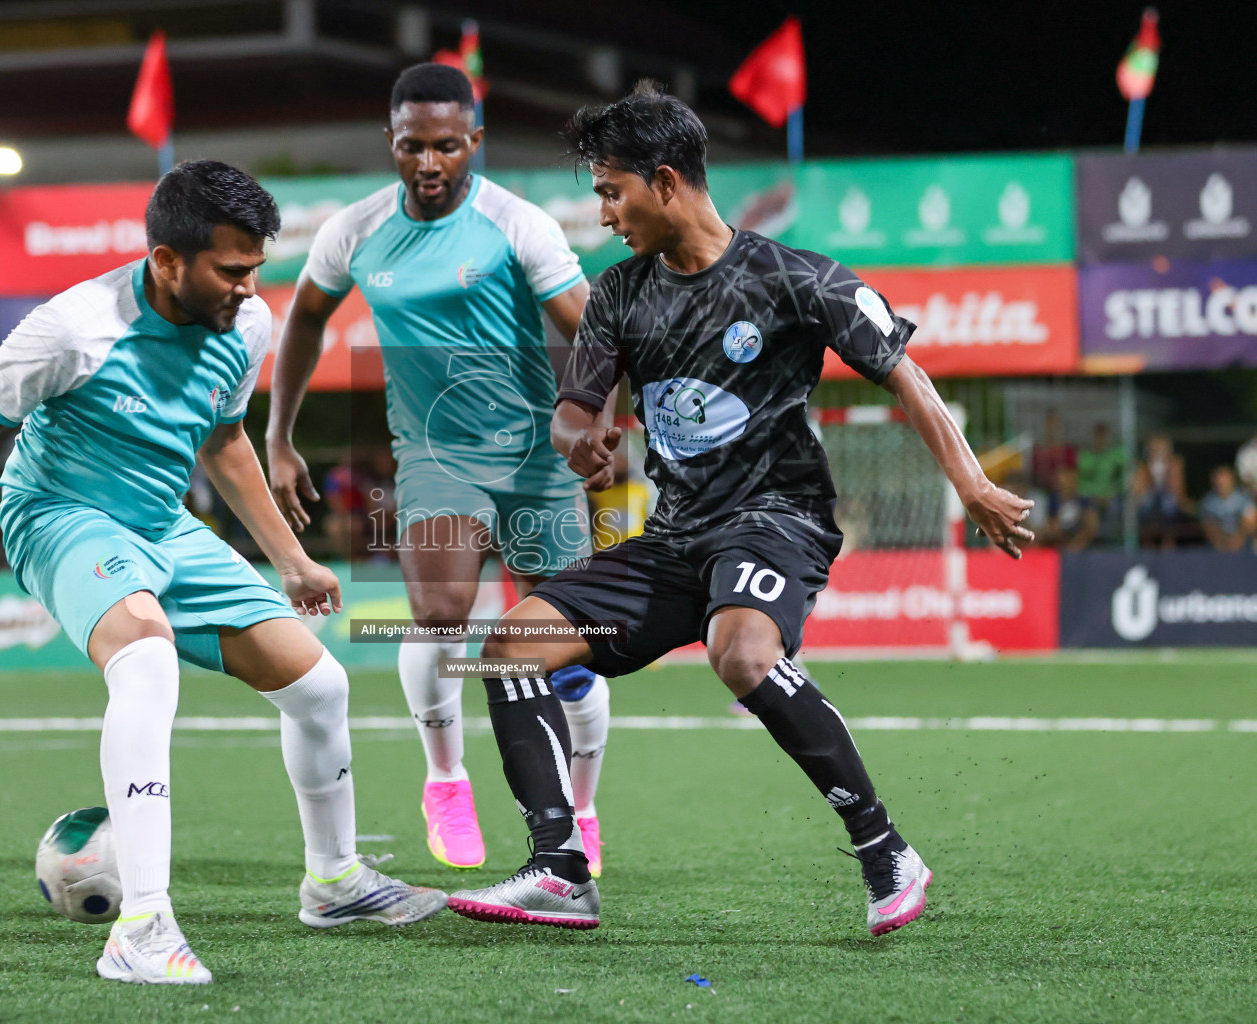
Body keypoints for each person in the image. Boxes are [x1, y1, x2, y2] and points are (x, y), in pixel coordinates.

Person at [446, 83, 1033, 934]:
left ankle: (885, 850)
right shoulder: (617, 295)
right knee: (508, 648)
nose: (604, 213)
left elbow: (905, 372)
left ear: (668, 180)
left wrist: (971, 482)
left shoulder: (794, 278)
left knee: (741, 655)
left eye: (613, 191)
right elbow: (576, 409)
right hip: (676, 535)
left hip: (775, 519)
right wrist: (582, 438)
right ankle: (560, 869)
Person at [0, 161, 445, 987]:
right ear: (165, 260)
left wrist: (289, 559)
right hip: (60, 516)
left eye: (256, 270)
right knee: (145, 661)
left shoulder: (245, 325)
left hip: (163, 525)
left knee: (321, 686)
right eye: (230, 271)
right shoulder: (73, 328)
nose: (249, 291)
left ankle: (334, 883)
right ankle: (142, 929)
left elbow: (223, 440)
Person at [267, 64, 615, 875]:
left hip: (536, 455)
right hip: (433, 456)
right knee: (439, 609)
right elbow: (303, 324)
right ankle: (447, 781)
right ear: (391, 143)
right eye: (413, 146)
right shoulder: (352, 230)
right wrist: (278, 435)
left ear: (475, 144)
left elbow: (596, 331)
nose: (429, 164)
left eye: (448, 147)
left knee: (569, 650)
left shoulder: (516, 224)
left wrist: (597, 426)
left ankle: (582, 808)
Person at [1039, 467, 1099, 551]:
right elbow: (1050, 528)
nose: (1066, 481)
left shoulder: (1085, 500)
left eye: (1070, 477)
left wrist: (1075, 545)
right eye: (1063, 477)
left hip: (1082, 547)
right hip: (1059, 544)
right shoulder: (1053, 500)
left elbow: (1091, 528)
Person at [1199, 465, 1255, 552]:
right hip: (1219, 547)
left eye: (1224, 481)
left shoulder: (1243, 499)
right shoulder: (1208, 503)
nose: (1221, 484)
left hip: (1244, 546)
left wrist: (1238, 539)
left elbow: (1250, 522)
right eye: (1218, 481)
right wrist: (1222, 543)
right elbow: (1208, 527)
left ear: (1232, 480)